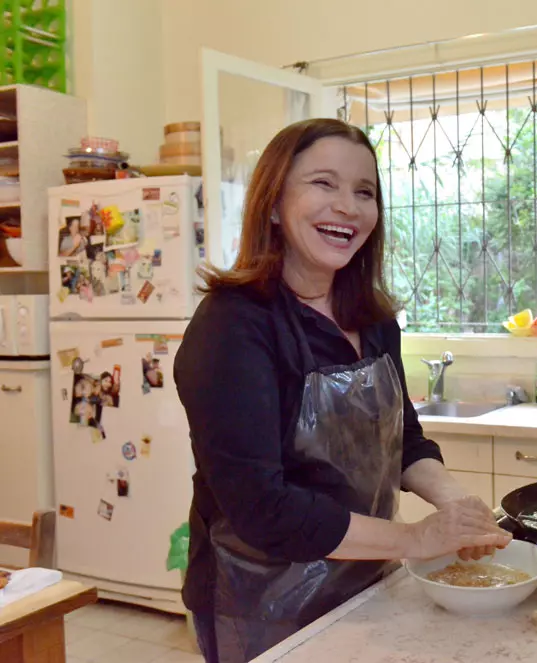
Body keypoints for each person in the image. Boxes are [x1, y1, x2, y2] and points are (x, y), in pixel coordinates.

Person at [173, 118, 511, 663]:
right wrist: (412, 541)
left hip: (366, 579)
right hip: (261, 604)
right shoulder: (233, 326)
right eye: (323, 184)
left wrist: (456, 504)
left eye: (365, 192)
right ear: (274, 203)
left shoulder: (374, 321)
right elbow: (262, 508)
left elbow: (404, 442)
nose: (348, 207)